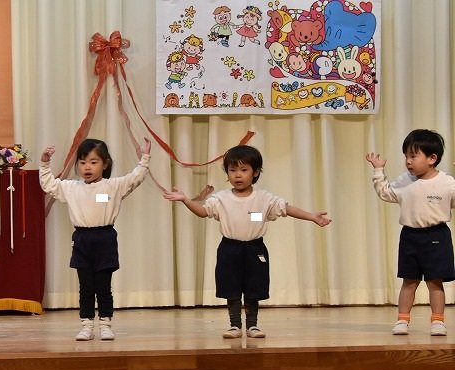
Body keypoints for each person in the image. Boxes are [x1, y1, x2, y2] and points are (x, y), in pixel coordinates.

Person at [164, 144, 331, 339]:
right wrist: (185, 199)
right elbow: (202, 212)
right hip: (229, 249)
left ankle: (253, 326)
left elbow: (286, 209)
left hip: (255, 249)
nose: (238, 175)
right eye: (232, 170)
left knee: (254, 288)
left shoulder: (264, 198)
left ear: (256, 172)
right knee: (231, 288)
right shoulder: (221, 198)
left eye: (244, 170)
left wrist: (311, 216)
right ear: (227, 173)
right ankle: (235, 326)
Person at [39, 138, 151, 341]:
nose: (87, 167)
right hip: (82, 240)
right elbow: (49, 185)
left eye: (93, 162)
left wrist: (145, 157)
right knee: (86, 287)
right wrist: (45, 163)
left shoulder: (113, 186)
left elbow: (135, 177)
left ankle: (105, 325)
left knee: (103, 287)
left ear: (105, 164)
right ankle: (87, 326)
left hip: (105, 239)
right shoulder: (72, 188)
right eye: (82, 162)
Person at [366, 129, 455, 336]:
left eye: (413, 156)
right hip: (410, 236)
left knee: (435, 281)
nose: (408, 161)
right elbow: (386, 193)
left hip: (437, 236)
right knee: (409, 281)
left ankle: (438, 321)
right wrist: (378, 171)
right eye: (406, 156)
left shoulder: (447, 183)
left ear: (432, 158)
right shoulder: (405, 180)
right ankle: (402, 320)